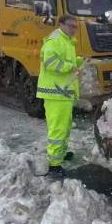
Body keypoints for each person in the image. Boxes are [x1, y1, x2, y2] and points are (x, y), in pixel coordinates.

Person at [36, 15, 84, 178]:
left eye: (75, 27)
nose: (73, 29)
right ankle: (54, 165)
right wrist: (70, 67)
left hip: (62, 93)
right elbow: (50, 62)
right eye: (71, 26)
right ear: (61, 25)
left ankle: (61, 154)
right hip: (55, 93)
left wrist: (78, 61)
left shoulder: (66, 40)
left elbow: (64, 60)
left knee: (65, 126)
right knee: (57, 129)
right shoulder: (55, 40)